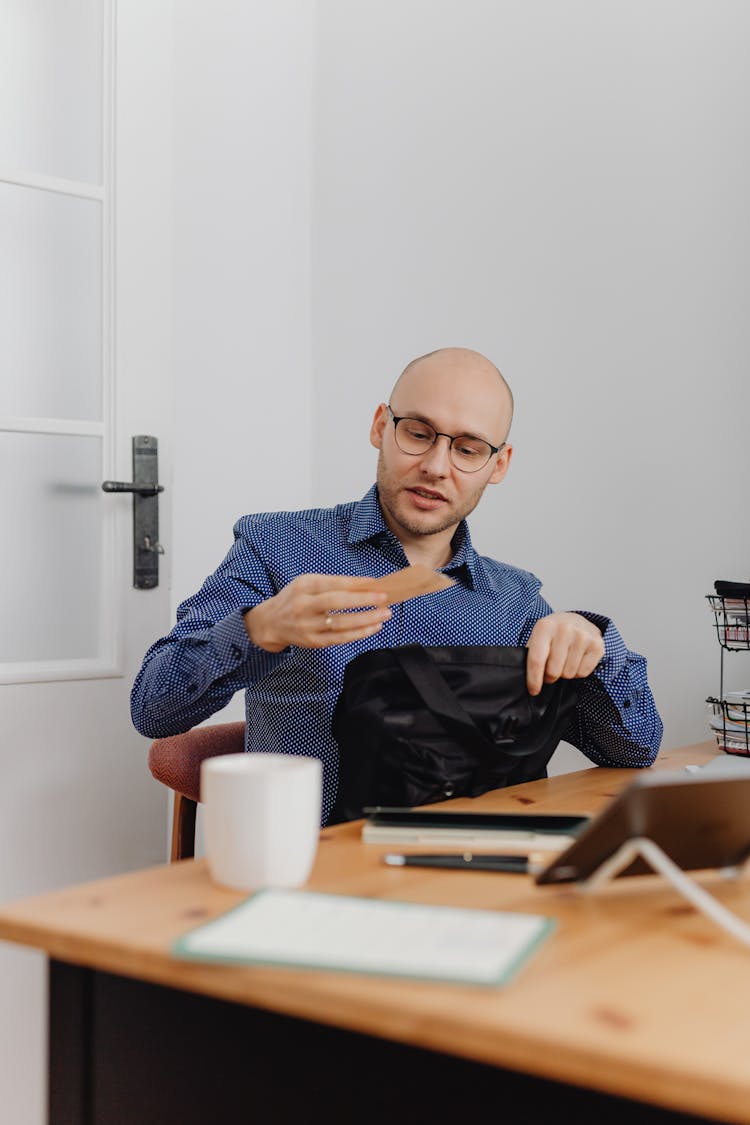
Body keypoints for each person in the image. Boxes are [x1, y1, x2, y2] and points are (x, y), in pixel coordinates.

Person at [131, 347, 662, 822]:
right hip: (322, 877)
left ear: (498, 465)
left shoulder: (516, 600)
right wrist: (258, 629)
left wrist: (593, 641)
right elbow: (154, 708)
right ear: (380, 426)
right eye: (418, 433)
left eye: (469, 448)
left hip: (483, 877)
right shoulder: (274, 547)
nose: (435, 466)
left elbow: (635, 749)